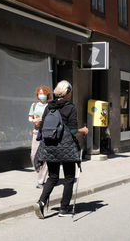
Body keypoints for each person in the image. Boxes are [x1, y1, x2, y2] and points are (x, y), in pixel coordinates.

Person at [33, 80, 88, 218]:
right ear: (68, 93)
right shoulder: (70, 107)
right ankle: (64, 209)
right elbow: (74, 130)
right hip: (66, 147)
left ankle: (41, 202)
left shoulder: (49, 107)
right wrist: (83, 130)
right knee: (69, 177)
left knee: (52, 177)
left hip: (50, 146)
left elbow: (42, 126)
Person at [28, 85, 51, 189]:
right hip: (36, 131)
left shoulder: (50, 105)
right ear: (37, 95)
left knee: (45, 157)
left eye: (44, 93)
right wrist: (34, 121)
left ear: (47, 95)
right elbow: (30, 118)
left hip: (47, 132)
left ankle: (41, 181)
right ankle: (38, 168)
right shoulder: (34, 105)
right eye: (40, 93)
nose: (42, 95)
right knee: (33, 155)